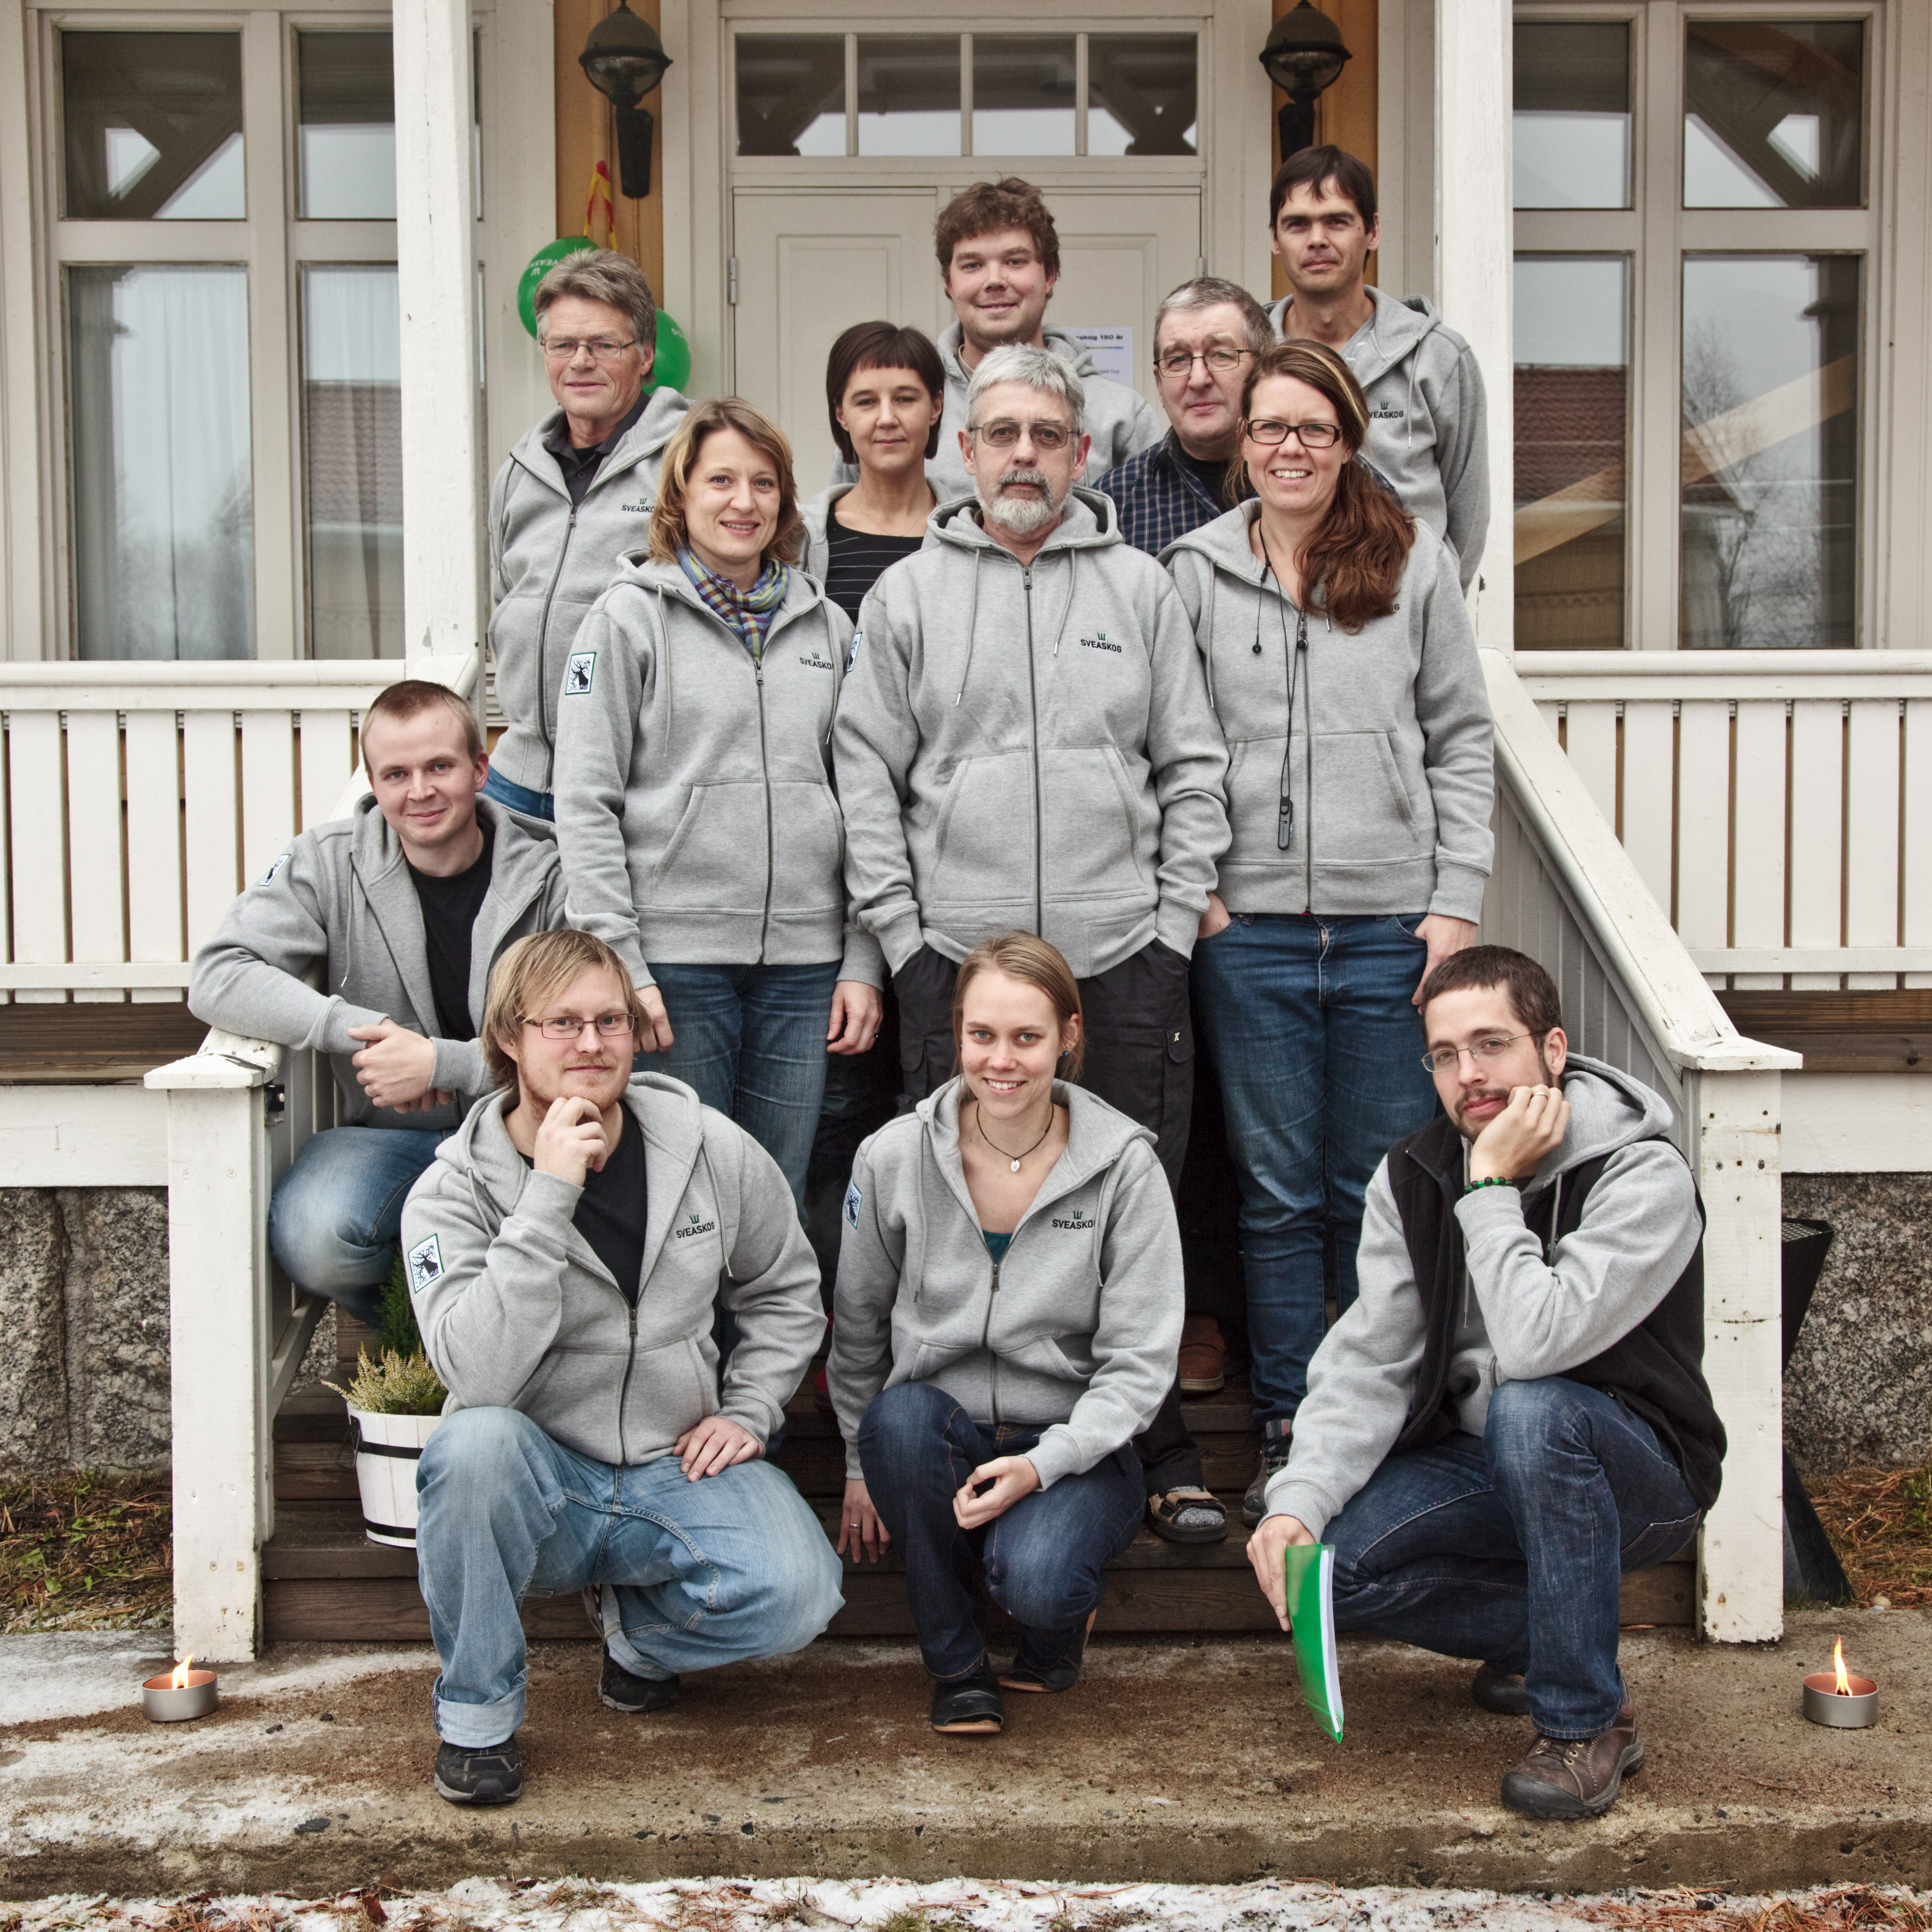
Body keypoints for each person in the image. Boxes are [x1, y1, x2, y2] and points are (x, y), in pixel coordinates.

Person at [1248, 946, 1723, 1821]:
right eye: (1443, 1054)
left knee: (1532, 1410)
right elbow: (1370, 1359)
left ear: (1553, 1048)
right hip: (1481, 1461)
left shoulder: (1639, 1172)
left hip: (1637, 1476)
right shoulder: (1411, 1173)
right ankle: (1558, 1641)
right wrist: (1296, 1501)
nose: (1467, 1074)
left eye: (1491, 1044)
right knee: (1326, 1569)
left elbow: (1536, 1344)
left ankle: (1583, 1723)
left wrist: (1493, 1184)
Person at [1163, 340, 1492, 1524]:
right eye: (1269, 427)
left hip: (1386, 926)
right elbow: (1171, 740)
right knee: (1272, 1194)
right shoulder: (1194, 571)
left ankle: (1375, 1420)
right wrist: (1203, 893)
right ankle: (1287, 1422)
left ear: (1348, 439)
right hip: (1247, 930)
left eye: (1312, 427)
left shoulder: (1410, 558)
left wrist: (1452, 898)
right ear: (1240, 442)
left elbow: (1460, 734)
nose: (1288, 447)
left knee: (1374, 1187)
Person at [405, 928, 841, 1806]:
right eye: (561, 1022)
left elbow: (787, 1286)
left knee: (800, 1592)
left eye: (610, 1020)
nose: (592, 1043)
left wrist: (751, 1407)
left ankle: (637, 1636)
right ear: (509, 1038)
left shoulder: (705, 1146)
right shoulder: (451, 1191)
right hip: (544, 1485)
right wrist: (547, 1196)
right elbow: (477, 1376)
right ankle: (478, 1719)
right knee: (471, 1445)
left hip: (673, 1466)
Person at [834, 343, 1228, 1192]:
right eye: (1001, 433)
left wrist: (1169, 932)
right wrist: (904, 944)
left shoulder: (1141, 588)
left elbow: (1193, 765)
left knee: (1124, 1200)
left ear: (1079, 455)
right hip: (955, 963)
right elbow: (864, 782)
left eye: (1046, 436)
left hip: (1122, 962)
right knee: (963, 1203)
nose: (1023, 454)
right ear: (965, 449)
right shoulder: (905, 596)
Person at [828, 932, 1184, 1736]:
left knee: (1038, 1580)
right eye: (981, 1035)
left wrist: (1043, 1463)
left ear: (1068, 1036)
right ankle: (958, 1670)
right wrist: (856, 1459)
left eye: (1027, 1037)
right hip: (940, 1431)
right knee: (899, 1421)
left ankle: (1054, 1626)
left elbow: (1139, 1365)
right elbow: (858, 1320)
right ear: (956, 1034)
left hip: (1074, 1444)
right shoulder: (894, 1156)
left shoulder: (1125, 1167)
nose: (1001, 1061)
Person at [553, 398, 884, 1209]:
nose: (744, 502)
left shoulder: (828, 628)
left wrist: (861, 957)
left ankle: (774, 1305)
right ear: (680, 494)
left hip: (804, 967)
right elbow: (585, 801)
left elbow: (866, 798)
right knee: (687, 1194)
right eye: (721, 481)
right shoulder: (626, 619)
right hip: (676, 962)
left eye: (764, 483)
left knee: (776, 1191)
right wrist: (622, 962)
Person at [188, 680, 568, 1326]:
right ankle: (417, 1337)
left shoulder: (552, 873)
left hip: (528, 1133)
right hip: (394, 1138)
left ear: (480, 769)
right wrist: (360, 1030)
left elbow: (577, 1039)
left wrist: (439, 1064)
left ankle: (491, 1342)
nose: (419, 791)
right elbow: (220, 976)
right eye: (397, 774)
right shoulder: (326, 862)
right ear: (373, 782)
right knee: (315, 1234)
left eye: (440, 767)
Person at [484, 250, 691, 825]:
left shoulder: (692, 459)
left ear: (645, 355)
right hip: (521, 778)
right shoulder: (518, 473)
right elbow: (504, 599)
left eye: (604, 344)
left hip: (636, 784)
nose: (581, 362)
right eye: (563, 345)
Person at [830, 178, 1161, 501]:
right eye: (973, 265)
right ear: (949, 283)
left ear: (1049, 275)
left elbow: (1151, 525)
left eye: (1015, 262)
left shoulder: (1120, 415)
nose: (995, 280)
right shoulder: (900, 408)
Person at [1264, 146, 1488, 590]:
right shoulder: (1247, 355)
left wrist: (1427, 604)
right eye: (1298, 224)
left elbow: (1469, 515)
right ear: (1275, 238)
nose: (1317, 239)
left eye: (1337, 221)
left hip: (1400, 609)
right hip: (1276, 612)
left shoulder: (1440, 357)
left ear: (1373, 231)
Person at [1097, 277, 1270, 556]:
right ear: (1159, 384)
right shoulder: (1115, 501)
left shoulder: (1311, 478)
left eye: (1221, 355)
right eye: (1177, 360)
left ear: (1263, 369)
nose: (1198, 379)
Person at [801, 321, 946, 620]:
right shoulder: (800, 539)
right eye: (866, 402)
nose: (887, 418)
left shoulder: (970, 533)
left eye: (905, 399)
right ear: (841, 414)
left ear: (936, 406)